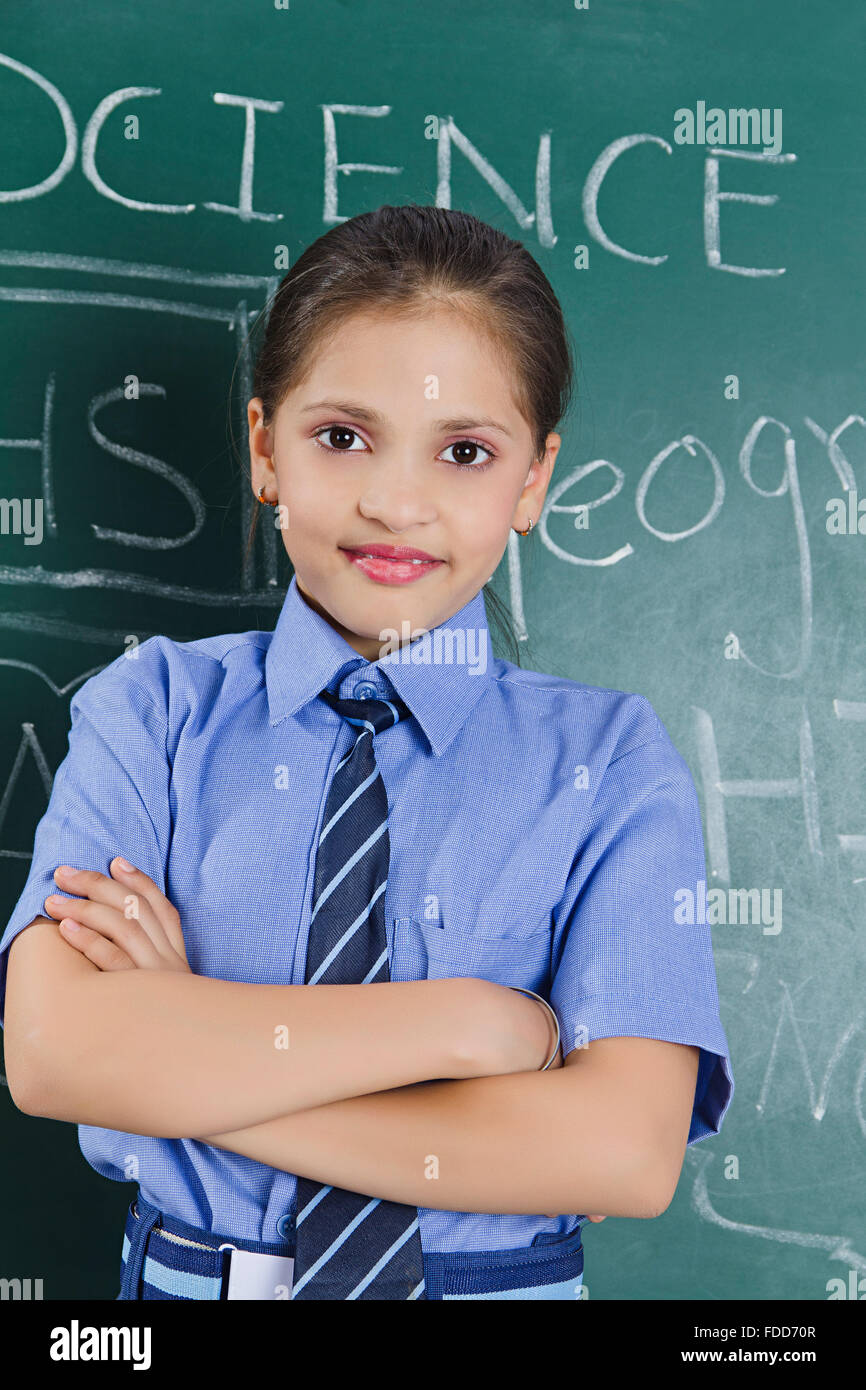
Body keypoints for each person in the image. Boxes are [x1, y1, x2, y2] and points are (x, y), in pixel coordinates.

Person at [0, 204, 733, 1300]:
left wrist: (187, 1057)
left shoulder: (608, 761)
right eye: (341, 436)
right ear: (264, 448)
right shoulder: (150, 714)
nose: (395, 501)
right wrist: (475, 1024)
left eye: (465, 452)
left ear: (531, 481)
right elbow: (56, 1052)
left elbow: (622, 1153)